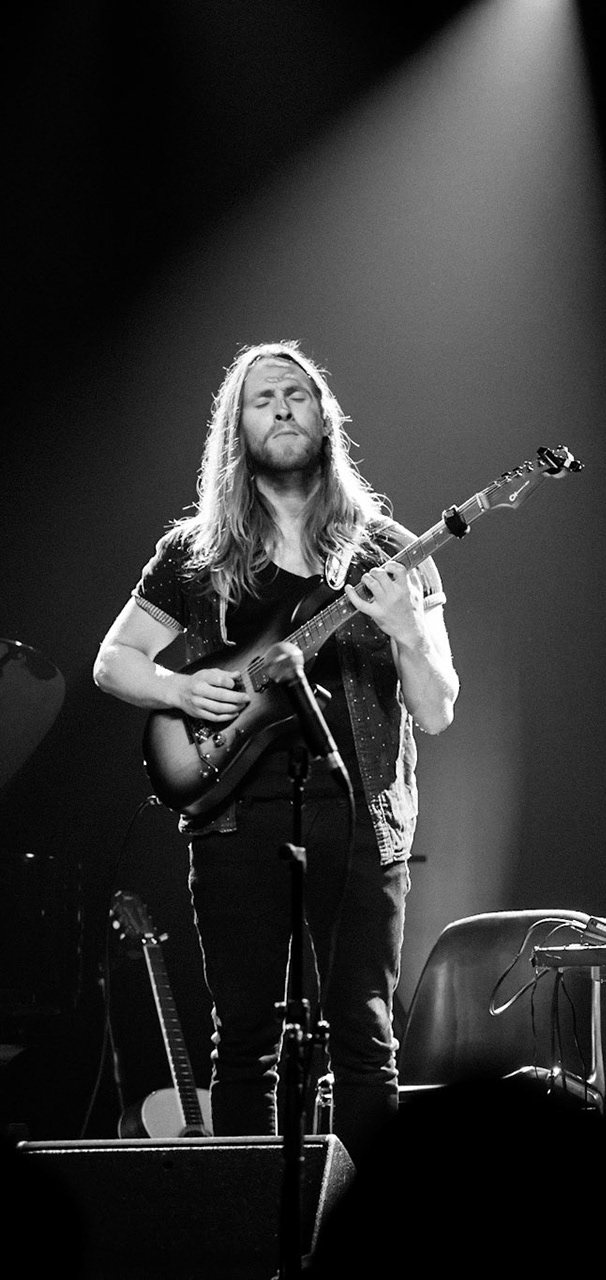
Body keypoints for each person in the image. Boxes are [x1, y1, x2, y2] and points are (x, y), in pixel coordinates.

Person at [94, 341, 458, 1160]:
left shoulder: (389, 550)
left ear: (326, 418)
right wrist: (182, 692)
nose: (284, 407)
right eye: (264, 398)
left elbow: (436, 710)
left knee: (367, 1039)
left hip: (365, 818)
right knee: (246, 1037)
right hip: (233, 816)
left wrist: (405, 627)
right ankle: (252, 1234)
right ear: (238, 426)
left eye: (298, 393)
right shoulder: (195, 553)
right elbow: (112, 662)